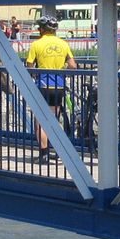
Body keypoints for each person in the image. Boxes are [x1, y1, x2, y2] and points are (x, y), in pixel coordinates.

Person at [23, 15, 75, 162]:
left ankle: (44, 154)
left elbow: (29, 65)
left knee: (40, 121)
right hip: (59, 86)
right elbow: (72, 65)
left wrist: (34, 74)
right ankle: (59, 151)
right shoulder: (63, 44)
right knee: (53, 120)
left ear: (41, 29)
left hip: (43, 86)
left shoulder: (36, 44)